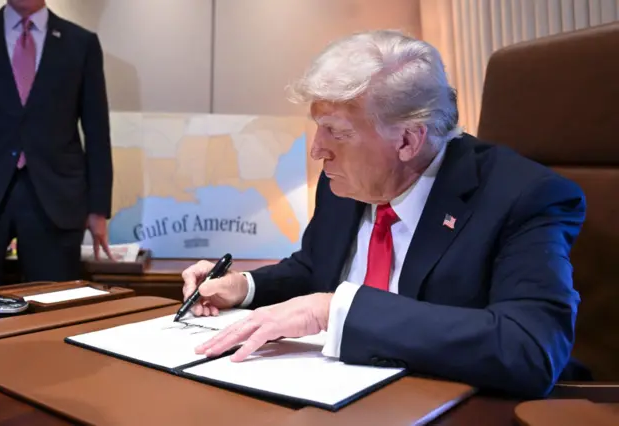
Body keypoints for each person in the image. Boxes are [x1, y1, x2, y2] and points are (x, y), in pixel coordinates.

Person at [181, 30, 586, 398]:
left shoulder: (525, 197)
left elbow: (530, 348)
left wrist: (331, 310)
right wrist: (243, 286)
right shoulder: (344, 180)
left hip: (448, 406)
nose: (317, 150)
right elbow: (315, 269)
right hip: (330, 395)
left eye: (336, 132)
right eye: (318, 128)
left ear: (408, 139)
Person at [0, 0, 113, 288]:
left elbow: (97, 131)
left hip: (57, 200)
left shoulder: (81, 43)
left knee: (54, 304)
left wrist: (98, 209)